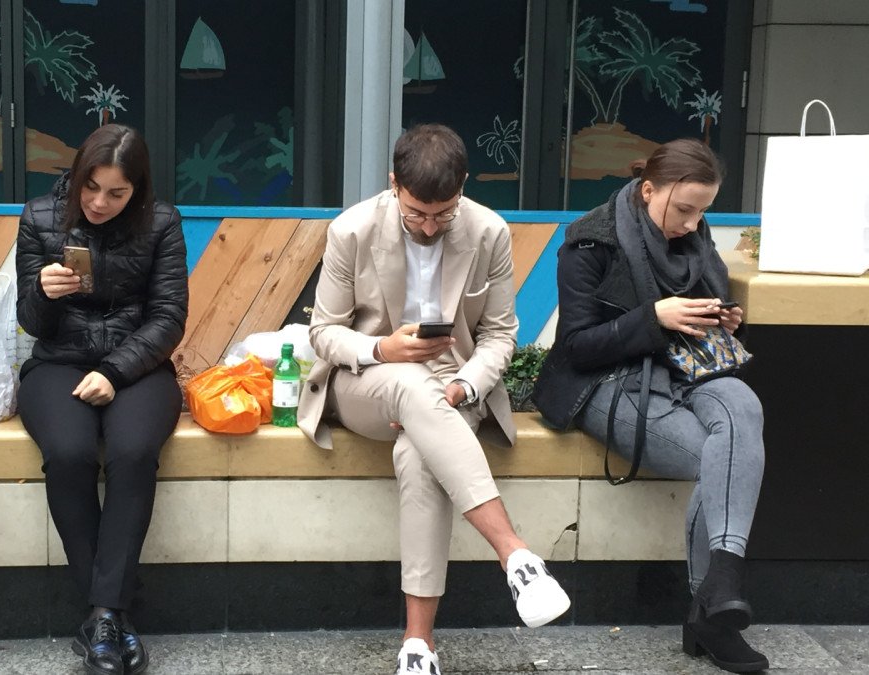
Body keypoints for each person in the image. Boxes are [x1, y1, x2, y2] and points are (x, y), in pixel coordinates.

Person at [298, 124, 571, 675]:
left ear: (463, 187)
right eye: (416, 213)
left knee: (419, 457)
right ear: (393, 183)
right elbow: (323, 333)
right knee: (406, 384)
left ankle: (418, 646)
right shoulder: (352, 230)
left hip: (455, 384)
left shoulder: (489, 231)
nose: (429, 226)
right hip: (367, 377)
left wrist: (465, 386)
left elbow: (499, 334)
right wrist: (383, 348)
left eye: (442, 215)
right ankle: (515, 554)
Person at [533, 138, 767, 673]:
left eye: (702, 211)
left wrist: (724, 321)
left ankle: (719, 583)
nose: (693, 223)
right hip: (606, 380)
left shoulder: (695, 240)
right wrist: (654, 318)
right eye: (683, 209)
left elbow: (701, 313)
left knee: (743, 404)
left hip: (685, 369)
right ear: (647, 190)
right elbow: (577, 347)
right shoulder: (590, 241)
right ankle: (712, 614)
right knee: (721, 458)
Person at [15, 124, 187, 675]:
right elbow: (30, 322)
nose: (99, 202)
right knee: (69, 453)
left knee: (133, 453)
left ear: (138, 189)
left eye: (117, 193)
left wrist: (114, 371)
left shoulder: (162, 223)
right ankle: (110, 616)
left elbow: (169, 318)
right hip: (57, 361)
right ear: (78, 176)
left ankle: (104, 615)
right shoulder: (39, 216)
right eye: (91, 187)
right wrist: (43, 293)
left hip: (137, 367)